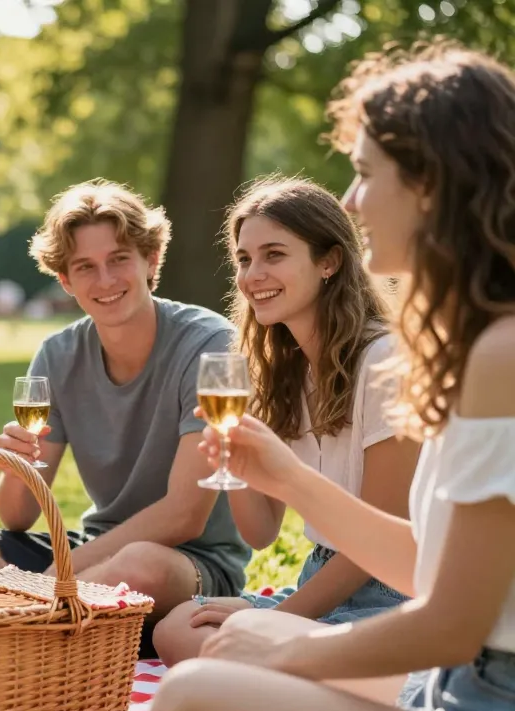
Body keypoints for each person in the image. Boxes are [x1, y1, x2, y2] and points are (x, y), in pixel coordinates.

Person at [151, 42, 515, 711]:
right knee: (212, 661)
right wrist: (281, 476)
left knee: (192, 699)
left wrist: (285, 656)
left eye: (363, 174)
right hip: (456, 683)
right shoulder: (477, 344)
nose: (350, 202)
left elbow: (445, 624)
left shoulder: (499, 353)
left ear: (431, 184)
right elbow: (433, 567)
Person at [0, 180, 251, 626]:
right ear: (65, 279)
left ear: (151, 259)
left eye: (119, 259)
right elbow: (17, 516)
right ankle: (51, 619)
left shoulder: (209, 345)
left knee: (140, 565)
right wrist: (15, 465)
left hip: (188, 563)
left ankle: (22, 612)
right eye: (85, 267)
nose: (105, 280)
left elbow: (184, 517)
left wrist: (53, 575)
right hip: (89, 551)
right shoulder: (57, 355)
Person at [152, 176, 419, 666]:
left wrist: (278, 622)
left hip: (394, 592)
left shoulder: (384, 361)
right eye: (244, 258)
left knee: (228, 653)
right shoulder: (281, 372)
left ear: (329, 262)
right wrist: (234, 457)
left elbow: (383, 538)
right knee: (177, 629)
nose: (253, 274)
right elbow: (260, 533)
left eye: (274, 254)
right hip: (320, 579)